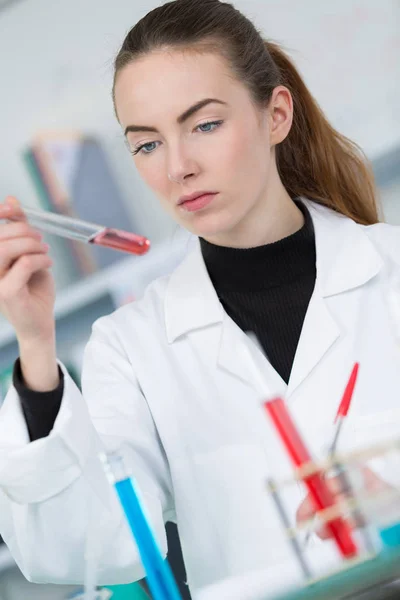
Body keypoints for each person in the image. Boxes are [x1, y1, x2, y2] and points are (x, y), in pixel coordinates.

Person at [0, 0, 399, 597]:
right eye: (147, 144)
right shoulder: (130, 348)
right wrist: (35, 343)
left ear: (276, 115)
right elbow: (85, 550)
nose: (178, 167)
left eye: (205, 124)